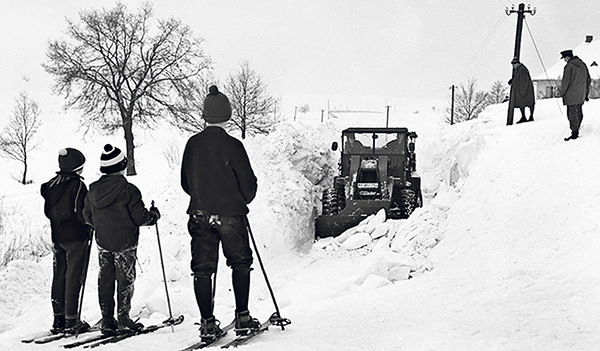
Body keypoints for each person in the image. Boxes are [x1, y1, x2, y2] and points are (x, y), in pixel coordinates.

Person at [181, 85, 260, 341]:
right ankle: (243, 316)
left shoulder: (192, 144)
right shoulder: (233, 146)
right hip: (230, 215)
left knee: (202, 269)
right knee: (240, 263)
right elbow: (248, 184)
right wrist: (237, 200)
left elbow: (185, 182)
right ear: (228, 115)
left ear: (205, 116)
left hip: (200, 214)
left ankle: (206, 322)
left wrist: (202, 196)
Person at [83, 144, 160, 335]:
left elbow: (87, 216)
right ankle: (124, 318)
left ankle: (108, 320)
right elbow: (140, 218)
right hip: (125, 242)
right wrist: (154, 216)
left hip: (103, 242)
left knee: (105, 279)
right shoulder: (128, 190)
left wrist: (101, 225)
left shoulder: (92, 190)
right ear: (122, 165)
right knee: (125, 279)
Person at [41, 148, 91, 334]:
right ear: (77, 168)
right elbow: (81, 213)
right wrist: (88, 225)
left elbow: (48, 212)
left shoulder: (52, 185)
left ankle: (58, 318)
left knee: (59, 275)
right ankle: (72, 320)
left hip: (57, 237)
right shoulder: (77, 185)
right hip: (76, 238)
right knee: (74, 276)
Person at [559, 49, 592, 141]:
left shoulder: (569, 66)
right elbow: (588, 80)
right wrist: (586, 93)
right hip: (581, 94)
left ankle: (574, 132)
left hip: (571, 94)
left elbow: (565, 82)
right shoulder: (583, 65)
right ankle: (577, 126)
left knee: (571, 113)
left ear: (568, 57)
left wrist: (562, 93)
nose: (564, 60)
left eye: (564, 58)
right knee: (579, 110)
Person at [508, 59, 535, 123]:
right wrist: (512, 80)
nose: (513, 66)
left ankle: (531, 116)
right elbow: (517, 78)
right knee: (522, 104)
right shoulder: (518, 69)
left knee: (529, 103)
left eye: (514, 64)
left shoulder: (522, 69)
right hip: (522, 90)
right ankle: (524, 117)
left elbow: (524, 81)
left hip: (525, 90)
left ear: (517, 63)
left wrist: (522, 91)